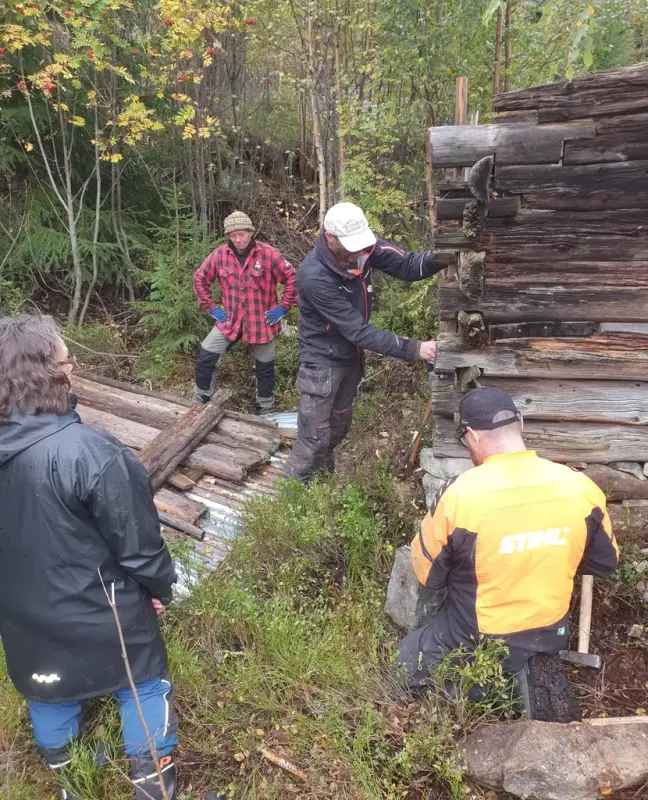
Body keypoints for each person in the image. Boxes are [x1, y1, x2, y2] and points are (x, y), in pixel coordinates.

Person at [0, 314, 182, 800]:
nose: (73, 369)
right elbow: (140, 548)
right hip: (105, 615)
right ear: (50, 373)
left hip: (21, 624)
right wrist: (159, 590)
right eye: (68, 361)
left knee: (46, 688)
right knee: (143, 683)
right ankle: (152, 783)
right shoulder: (90, 452)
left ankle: (69, 781)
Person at [398, 387, 619, 690]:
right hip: (551, 634)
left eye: (465, 442)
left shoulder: (460, 494)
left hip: (478, 637)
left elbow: (428, 575)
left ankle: (483, 690)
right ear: (522, 424)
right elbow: (605, 562)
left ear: (473, 436)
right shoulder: (580, 487)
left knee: (404, 660)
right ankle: (530, 676)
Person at [285, 202, 441, 481]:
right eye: (350, 246)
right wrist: (416, 348)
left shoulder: (363, 246)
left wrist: (441, 258)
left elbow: (407, 265)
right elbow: (358, 331)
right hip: (322, 361)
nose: (358, 252)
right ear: (330, 237)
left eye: (361, 245)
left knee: (339, 426)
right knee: (314, 437)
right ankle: (292, 494)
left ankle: (321, 484)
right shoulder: (314, 276)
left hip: (351, 357)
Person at [192, 210, 298, 411]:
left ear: (250, 232)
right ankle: (200, 400)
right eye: (233, 235)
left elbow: (292, 278)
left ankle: (265, 407)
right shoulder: (220, 255)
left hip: (262, 322)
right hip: (230, 320)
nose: (238, 239)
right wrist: (211, 307)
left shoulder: (268, 254)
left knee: (265, 367)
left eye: (242, 234)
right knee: (206, 355)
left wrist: (283, 308)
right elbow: (200, 279)